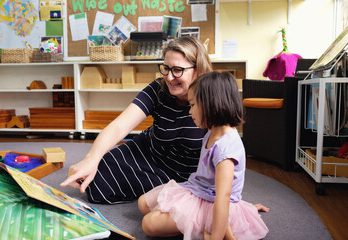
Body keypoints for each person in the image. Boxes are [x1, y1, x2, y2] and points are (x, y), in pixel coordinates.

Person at [60, 36, 213, 204]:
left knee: (168, 204)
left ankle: (162, 189)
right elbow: (119, 126)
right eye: (166, 68)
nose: (169, 77)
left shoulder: (211, 100)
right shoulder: (159, 88)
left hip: (184, 174)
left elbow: (225, 148)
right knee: (97, 175)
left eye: (177, 70)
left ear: (199, 70)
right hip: (149, 152)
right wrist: (91, 159)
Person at [137, 71, 269, 240]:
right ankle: (198, 224)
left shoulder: (225, 149)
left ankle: (219, 228)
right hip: (198, 190)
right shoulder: (212, 131)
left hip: (212, 202)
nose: (189, 111)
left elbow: (223, 198)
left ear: (211, 105)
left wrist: (215, 237)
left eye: (192, 105)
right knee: (143, 204)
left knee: (149, 224)